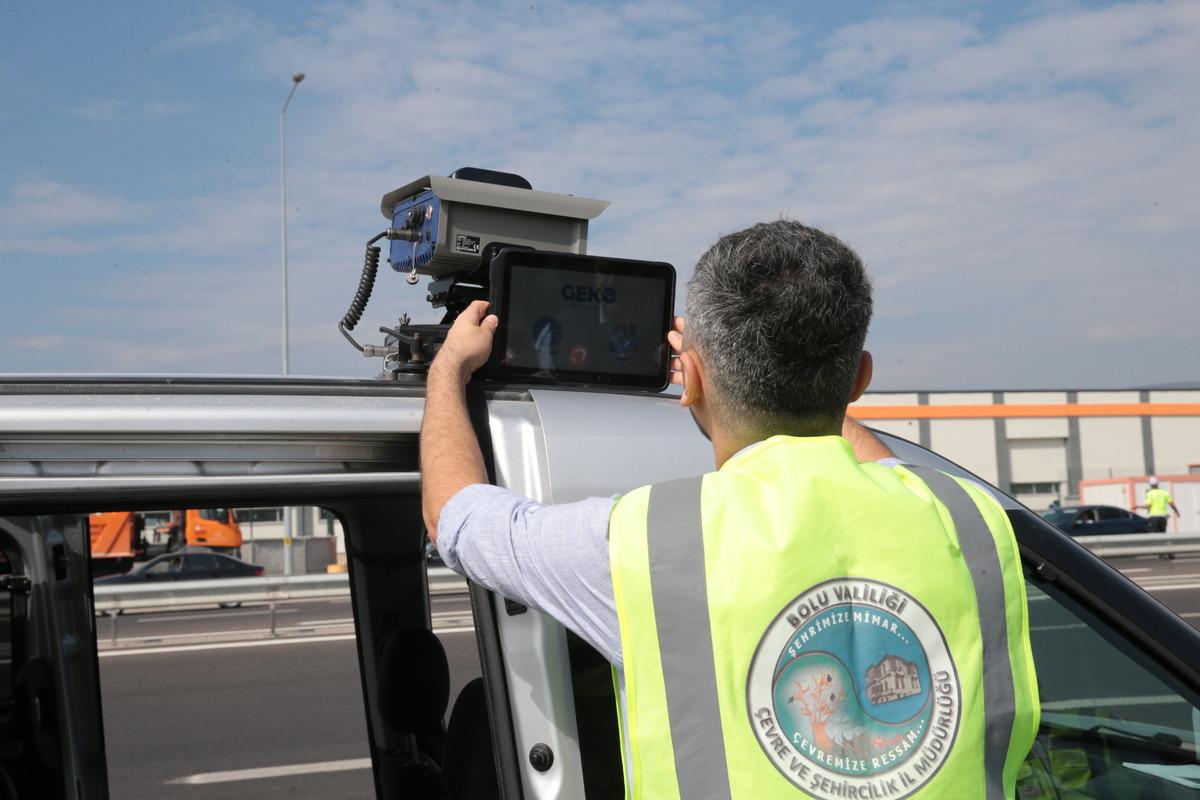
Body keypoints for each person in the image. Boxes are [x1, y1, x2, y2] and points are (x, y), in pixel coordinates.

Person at [420, 219, 1039, 799]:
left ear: (688, 379)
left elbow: (456, 516)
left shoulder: (649, 543)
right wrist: (794, 378)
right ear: (860, 380)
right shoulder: (966, 517)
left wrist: (448, 369)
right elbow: (874, 459)